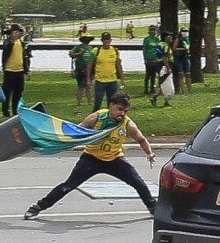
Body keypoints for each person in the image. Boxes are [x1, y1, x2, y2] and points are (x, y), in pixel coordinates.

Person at [23, 93, 157, 220]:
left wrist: (149, 153)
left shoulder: (128, 125)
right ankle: (37, 207)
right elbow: (77, 130)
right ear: (111, 106)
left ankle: (153, 208)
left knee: (138, 183)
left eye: (125, 111)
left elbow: (142, 140)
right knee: (68, 186)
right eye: (119, 109)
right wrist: (61, 140)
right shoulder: (97, 117)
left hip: (114, 159)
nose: (122, 114)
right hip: (91, 159)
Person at [87, 32, 125, 112]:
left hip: (112, 81)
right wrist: (88, 79)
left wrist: (122, 79)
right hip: (100, 81)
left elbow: (118, 65)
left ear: (110, 40)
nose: (106, 42)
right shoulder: (96, 51)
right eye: (105, 40)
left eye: (108, 40)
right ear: (102, 40)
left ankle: (109, 120)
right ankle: (94, 119)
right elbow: (89, 66)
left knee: (112, 103)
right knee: (98, 102)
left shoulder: (115, 50)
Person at [1, 24, 30, 117]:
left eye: (18, 32)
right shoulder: (8, 42)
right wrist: (12, 40)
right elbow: (6, 50)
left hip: (19, 71)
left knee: (18, 92)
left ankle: (15, 110)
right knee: (7, 92)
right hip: (9, 70)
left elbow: (23, 56)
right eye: (15, 32)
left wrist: (26, 70)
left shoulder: (21, 43)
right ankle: (5, 110)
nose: (17, 34)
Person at [69, 32, 96, 107]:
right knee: (80, 86)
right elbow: (71, 54)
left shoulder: (91, 48)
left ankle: (90, 102)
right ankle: (78, 102)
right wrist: (79, 53)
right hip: (80, 69)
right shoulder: (78, 47)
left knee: (89, 86)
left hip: (90, 70)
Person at [149, 31, 173, 107]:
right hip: (164, 66)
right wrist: (168, 68)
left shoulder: (160, 44)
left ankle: (164, 100)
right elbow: (164, 57)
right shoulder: (165, 45)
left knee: (164, 84)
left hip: (161, 65)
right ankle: (155, 97)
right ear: (165, 37)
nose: (171, 38)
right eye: (169, 36)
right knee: (165, 84)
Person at [142, 25, 161, 97]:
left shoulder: (157, 40)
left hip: (155, 59)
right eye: (152, 30)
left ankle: (152, 88)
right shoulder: (146, 39)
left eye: (154, 30)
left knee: (154, 75)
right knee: (148, 74)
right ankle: (146, 89)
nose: (153, 32)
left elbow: (159, 48)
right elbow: (144, 49)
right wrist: (145, 58)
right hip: (149, 59)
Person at [172, 28, 192, 94]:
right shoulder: (178, 39)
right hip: (178, 58)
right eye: (184, 31)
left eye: (186, 31)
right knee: (181, 74)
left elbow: (188, 48)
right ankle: (182, 90)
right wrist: (183, 49)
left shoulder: (187, 39)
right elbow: (174, 48)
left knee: (188, 74)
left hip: (186, 58)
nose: (185, 33)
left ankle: (190, 90)